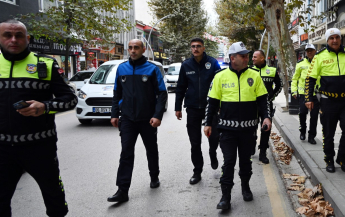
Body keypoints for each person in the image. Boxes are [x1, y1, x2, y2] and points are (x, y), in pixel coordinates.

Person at [0, 20, 78, 217]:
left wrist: (45, 107)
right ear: (0, 39)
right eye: (7, 35)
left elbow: (70, 100)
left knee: (56, 202)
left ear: (28, 38)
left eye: (19, 35)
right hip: (2, 151)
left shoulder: (46, 64)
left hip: (40, 147)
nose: (13, 40)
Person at [204, 41, 271, 210]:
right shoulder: (220, 76)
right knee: (228, 163)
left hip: (248, 129)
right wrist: (207, 123)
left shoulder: (255, 75)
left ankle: (246, 187)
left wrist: (266, 117)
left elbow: (263, 100)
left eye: (247, 55)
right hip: (227, 130)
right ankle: (225, 197)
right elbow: (211, 102)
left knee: (245, 162)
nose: (247, 58)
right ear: (233, 58)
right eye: (243, 56)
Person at [108, 39, 167, 203]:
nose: (132, 51)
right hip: (127, 119)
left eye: (136, 48)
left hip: (148, 119)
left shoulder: (152, 69)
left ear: (143, 49)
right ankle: (122, 190)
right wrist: (114, 114)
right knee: (126, 152)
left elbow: (162, 94)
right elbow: (116, 93)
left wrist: (157, 115)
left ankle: (154, 176)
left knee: (151, 149)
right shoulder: (121, 69)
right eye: (130, 48)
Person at [305, 28, 345, 173]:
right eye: (331, 38)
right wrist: (308, 98)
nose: (334, 40)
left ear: (340, 39)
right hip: (328, 102)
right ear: (327, 40)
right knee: (328, 133)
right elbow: (310, 79)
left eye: (337, 37)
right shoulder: (319, 56)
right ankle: (329, 160)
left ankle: (342, 158)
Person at [175, 37, 221, 185]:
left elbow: (220, 85)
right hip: (193, 108)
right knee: (195, 143)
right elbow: (181, 87)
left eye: (198, 46)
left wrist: (221, 104)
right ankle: (197, 171)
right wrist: (178, 107)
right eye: (193, 46)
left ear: (203, 48)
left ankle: (213, 153)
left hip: (211, 107)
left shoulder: (213, 63)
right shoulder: (186, 65)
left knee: (214, 138)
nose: (195, 49)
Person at [251, 50, 282, 162]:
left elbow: (279, 85)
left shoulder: (272, 71)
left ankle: (263, 152)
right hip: (252, 105)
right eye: (252, 57)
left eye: (255, 57)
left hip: (266, 105)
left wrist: (271, 97)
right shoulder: (249, 70)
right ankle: (251, 144)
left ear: (262, 58)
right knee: (251, 128)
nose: (252, 59)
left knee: (265, 129)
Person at [291, 44, 319, 144]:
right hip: (303, 94)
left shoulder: (319, 63)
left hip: (316, 95)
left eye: (311, 50)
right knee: (302, 113)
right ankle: (302, 131)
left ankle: (312, 136)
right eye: (307, 51)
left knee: (314, 116)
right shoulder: (300, 64)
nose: (309, 52)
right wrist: (294, 91)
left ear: (315, 51)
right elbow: (295, 79)